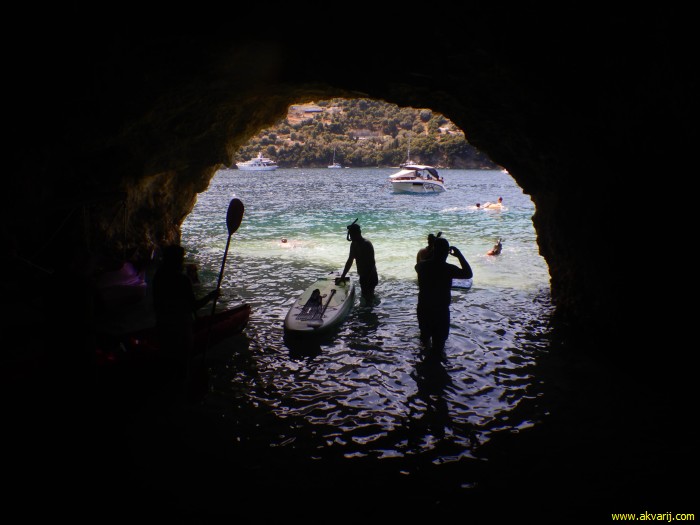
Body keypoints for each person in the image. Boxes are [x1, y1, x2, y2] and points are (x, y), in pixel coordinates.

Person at [152, 244, 219, 391]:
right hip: (181, 328)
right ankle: (181, 392)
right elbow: (193, 306)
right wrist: (211, 296)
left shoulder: (158, 276)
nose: (183, 261)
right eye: (181, 258)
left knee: (167, 364)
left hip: (162, 325)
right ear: (176, 260)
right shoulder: (182, 280)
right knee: (182, 366)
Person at [415, 237, 473, 354]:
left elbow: (420, 263)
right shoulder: (448, 269)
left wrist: (432, 250)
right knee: (439, 345)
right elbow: (468, 274)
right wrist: (459, 255)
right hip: (440, 311)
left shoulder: (421, 267)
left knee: (424, 340)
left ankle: (422, 360)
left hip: (424, 309)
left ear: (434, 251)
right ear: (447, 253)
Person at [336, 219, 378, 305]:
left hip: (370, 277)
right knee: (366, 297)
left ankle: (369, 309)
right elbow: (350, 260)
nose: (350, 237)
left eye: (352, 235)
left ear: (358, 233)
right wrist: (343, 276)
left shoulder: (366, 244)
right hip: (363, 276)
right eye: (350, 235)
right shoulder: (354, 244)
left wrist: (366, 281)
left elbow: (371, 264)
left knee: (368, 298)